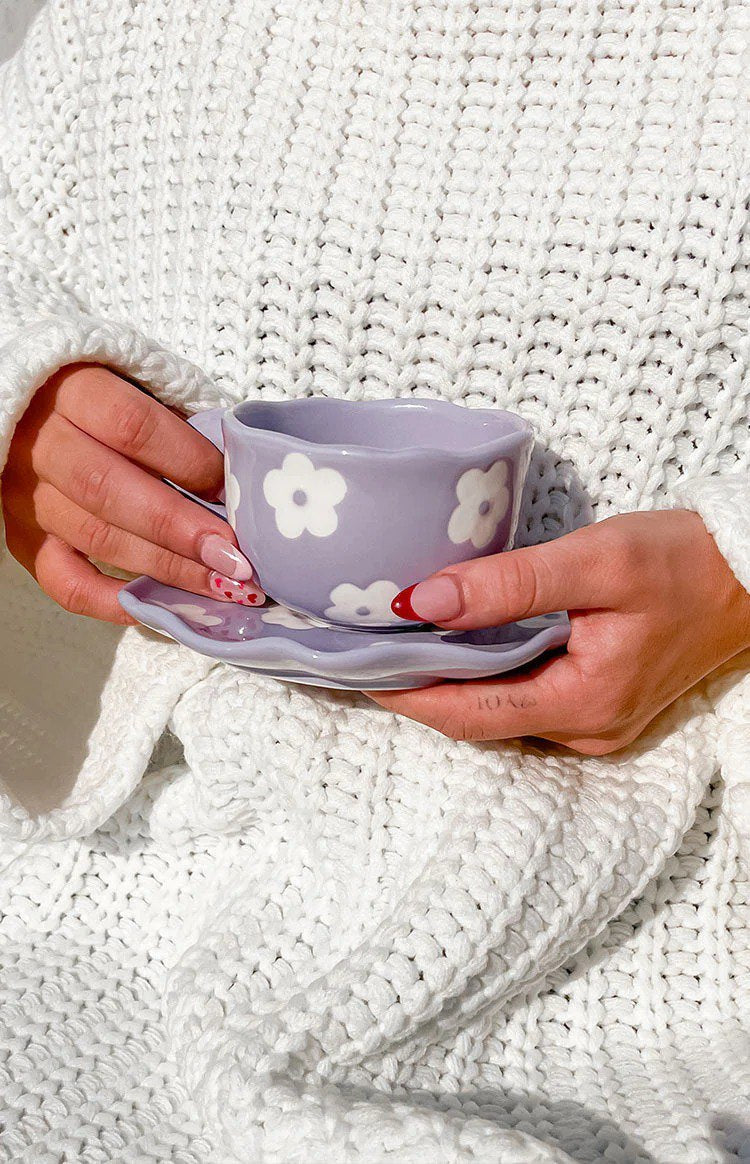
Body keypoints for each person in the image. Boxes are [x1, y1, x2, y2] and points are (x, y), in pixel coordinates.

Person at [1, 1, 748, 1160]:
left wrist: (738, 578)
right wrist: (29, 410)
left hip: (661, 911)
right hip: (155, 844)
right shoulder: (130, 31)